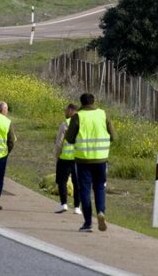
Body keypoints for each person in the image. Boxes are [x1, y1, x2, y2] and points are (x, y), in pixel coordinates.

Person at [65, 92, 114, 233]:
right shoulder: (103, 114)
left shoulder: (77, 116)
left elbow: (69, 138)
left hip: (83, 159)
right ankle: (101, 211)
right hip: (101, 159)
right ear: (94, 101)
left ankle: (87, 222)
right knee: (99, 187)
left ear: (81, 103)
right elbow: (113, 136)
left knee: (84, 190)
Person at [54, 103, 81, 214]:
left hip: (65, 158)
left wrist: (57, 155)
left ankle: (63, 203)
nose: (65, 112)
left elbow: (59, 142)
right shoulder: (81, 124)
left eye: (66, 110)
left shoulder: (65, 124)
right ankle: (77, 207)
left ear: (71, 111)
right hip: (78, 158)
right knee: (77, 183)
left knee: (62, 181)